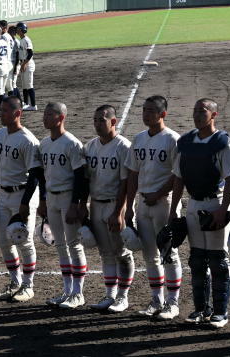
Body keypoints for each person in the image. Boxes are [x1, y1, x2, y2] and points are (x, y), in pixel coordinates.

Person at [169, 98, 230, 329]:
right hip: (194, 204)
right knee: (197, 259)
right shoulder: (185, 142)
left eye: (203, 111)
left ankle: (221, 312)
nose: (198, 115)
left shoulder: (223, 143)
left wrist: (223, 209)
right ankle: (201, 309)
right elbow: (178, 178)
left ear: (213, 115)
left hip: (216, 202)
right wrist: (173, 209)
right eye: (195, 111)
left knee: (217, 259)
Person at [124, 96, 183, 320]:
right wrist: (129, 206)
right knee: (150, 256)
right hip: (143, 205)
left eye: (151, 111)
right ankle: (156, 300)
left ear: (163, 114)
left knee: (168, 254)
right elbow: (133, 174)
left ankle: (172, 303)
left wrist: (158, 193)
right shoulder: (138, 139)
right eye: (144, 110)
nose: (146, 114)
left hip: (163, 204)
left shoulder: (172, 140)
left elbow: (177, 175)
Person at [0, 96, 42, 302]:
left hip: (23, 194)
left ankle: (28, 286)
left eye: (4, 111)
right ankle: (15, 282)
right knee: (4, 241)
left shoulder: (28, 140)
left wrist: (25, 203)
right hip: (3, 194)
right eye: (0, 110)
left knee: (24, 241)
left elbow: (35, 175)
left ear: (17, 113)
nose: (1, 114)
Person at [83, 105, 134, 313]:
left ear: (113, 122)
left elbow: (126, 183)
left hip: (115, 205)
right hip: (96, 204)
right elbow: (86, 180)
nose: (97, 124)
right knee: (105, 253)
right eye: (95, 120)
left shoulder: (123, 147)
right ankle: (110, 295)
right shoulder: (90, 147)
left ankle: (123, 297)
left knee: (122, 252)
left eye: (101, 120)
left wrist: (119, 212)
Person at [39, 102, 88, 309]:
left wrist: (76, 204)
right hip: (52, 198)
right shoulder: (44, 143)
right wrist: (42, 200)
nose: (45, 118)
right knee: (60, 245)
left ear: (60, 118)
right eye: (45, 114)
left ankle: (78, 293)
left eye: (50, 115)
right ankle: (67, 290)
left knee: (74, 245)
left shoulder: (72, 143)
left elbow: (81, 177)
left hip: (68, 198)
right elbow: (42, 175)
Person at [16, 22, 37, 111]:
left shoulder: (26, 40)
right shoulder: (21, 40)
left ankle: (33, 105)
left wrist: (24, 64)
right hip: (24, 64)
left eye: (18, 28)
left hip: (28, 64)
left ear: (21, 30)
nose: (17, 30)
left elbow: (30, 53)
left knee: (29, 85)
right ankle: (26, 103)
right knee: (24, 86)